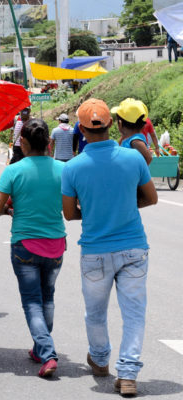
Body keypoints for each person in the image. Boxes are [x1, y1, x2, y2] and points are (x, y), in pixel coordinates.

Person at [61, 98, 158, 397]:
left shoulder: (72, 168)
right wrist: (127, 206)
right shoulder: (133, 159)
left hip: (95, 252)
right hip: (133, 249)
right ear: (112, 124)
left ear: (81, 129)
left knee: (95, 313)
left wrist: (92, 212)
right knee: (134, 314)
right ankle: (127, 375)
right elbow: (152, 198)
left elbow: (69, 213)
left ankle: (101, 359)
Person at [0, 119, 66, 378]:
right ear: (49, 143)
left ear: (22, 143)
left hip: (25, 245)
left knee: (33, 302)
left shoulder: (14, 171)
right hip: (56, 244)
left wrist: (12, 209)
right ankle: (39, 348)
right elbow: (70, 206)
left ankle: (47, 353)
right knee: (48, 297)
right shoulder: (62, 169)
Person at [112, 98, 153, 165]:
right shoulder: (128, 138)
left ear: (120, 123)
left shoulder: (135, 141)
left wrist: (137, 171)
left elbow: (148, 158)